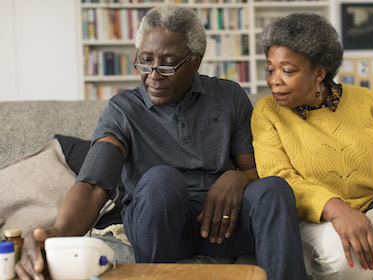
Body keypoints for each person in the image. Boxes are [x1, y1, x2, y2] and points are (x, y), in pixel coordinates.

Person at [15, 5, 307, 280]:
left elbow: (257, 169)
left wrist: (237, 178)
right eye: (145, 60)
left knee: (274, 189)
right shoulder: (123, 110)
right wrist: (59, 232)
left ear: (195, 62)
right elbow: (93, 185)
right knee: (162, 179)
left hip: (223, 223)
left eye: (168, 64)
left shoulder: (229, 97)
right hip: (160, 225)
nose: (153, 75)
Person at [251, 13, 373, 280]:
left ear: (319, 73)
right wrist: (334, 207)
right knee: (346, 253)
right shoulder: (266, 112)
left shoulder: (365, 100)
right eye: (271, 69)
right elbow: (279, 178)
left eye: (288, 70)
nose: (274, 80)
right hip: (314, 223)